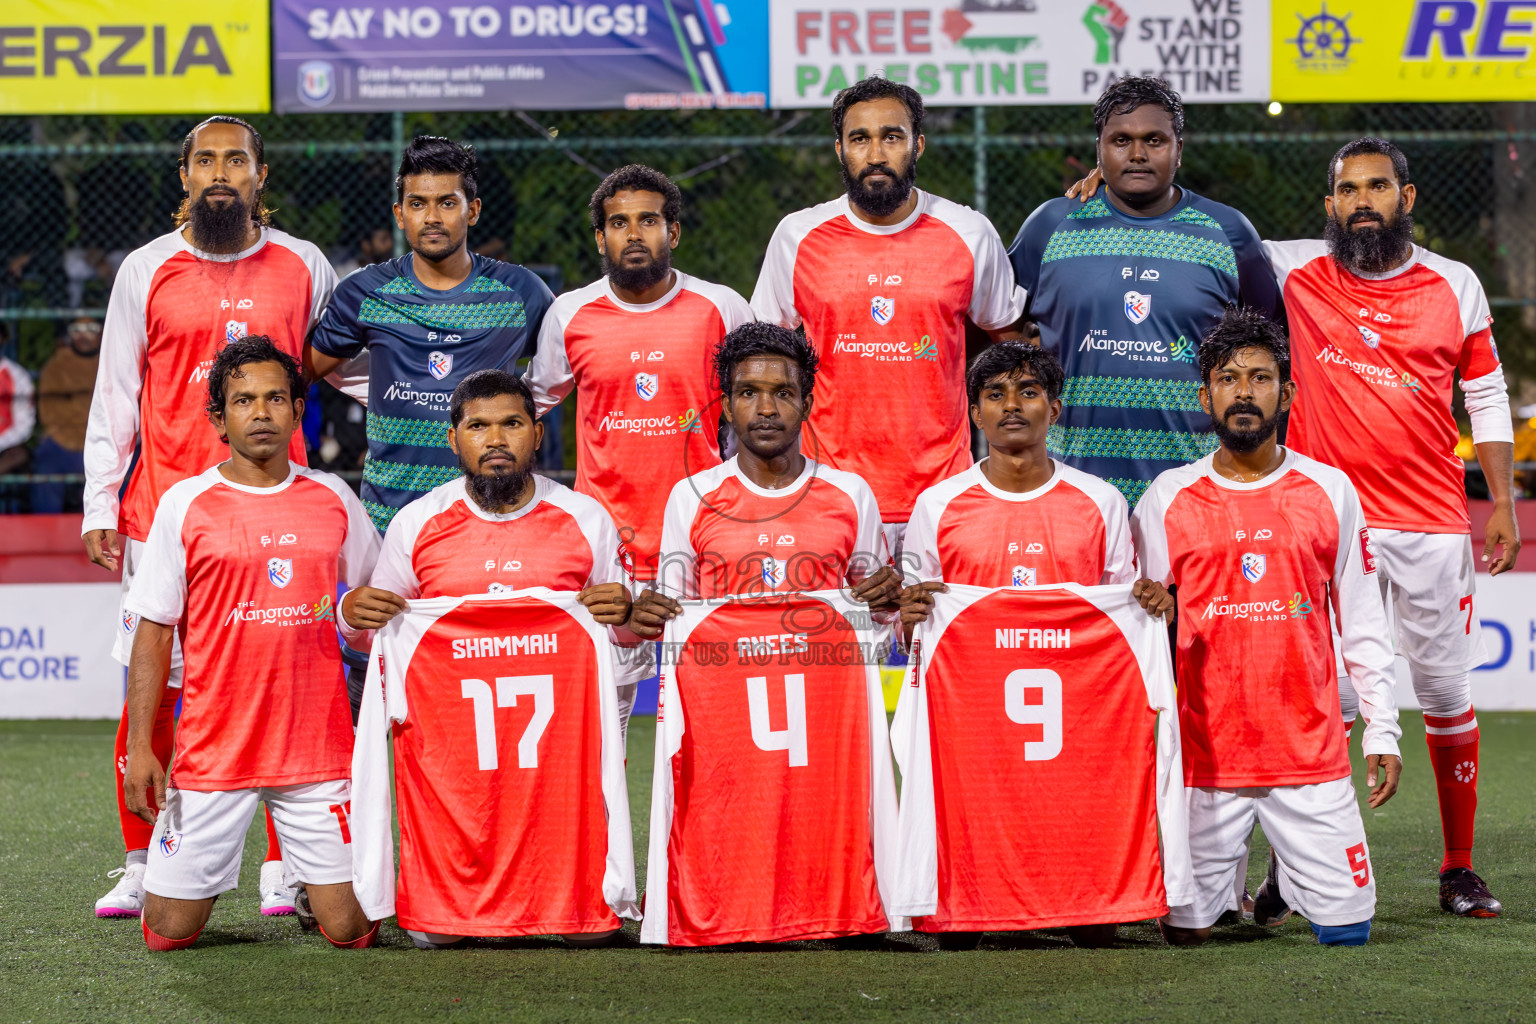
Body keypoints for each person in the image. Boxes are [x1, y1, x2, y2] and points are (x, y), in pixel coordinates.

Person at [83, 115, 338, 920]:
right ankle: (139, 856)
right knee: (151, 690)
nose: (220, 172)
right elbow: (117, 392)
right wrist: (99, 501)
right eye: (205, 160)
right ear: (184, 176)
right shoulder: (146, 268)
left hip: (276, 514)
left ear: (262, 176)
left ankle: (283, 867)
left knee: (283, 678)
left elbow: (341, 364)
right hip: (162, 517)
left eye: (237, 159)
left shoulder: (305, 265)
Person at [1261, 138, 1519, 917]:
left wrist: (1501, 499)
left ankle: (1459, 869)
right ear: (1330, 202)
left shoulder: (1456, 283)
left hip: (1433, 525)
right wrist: (1104, 192)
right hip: (1328, 529)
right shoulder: (1292, 268)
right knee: (1323, 702)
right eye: (1348, 189)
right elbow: (1196, 225)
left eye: (1378, 187)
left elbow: (1488, 394)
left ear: (1407, 198)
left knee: (1443, 692)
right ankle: (1290, 875)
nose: (1362, 200)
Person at [1131, 308, 1401, 947]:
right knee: (1186, 934)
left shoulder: (1330, 491)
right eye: (1229, 379)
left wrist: (1381, 730)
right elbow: (1136, 629)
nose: (1244, 392)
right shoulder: (1166, 498)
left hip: (1309, 757)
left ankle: (1284, 876)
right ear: (1206, 396)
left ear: (1288, 392)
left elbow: (1363, 621)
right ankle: (1230, 886)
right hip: (1203, 761)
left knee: (1349, 934)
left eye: (1260, 377)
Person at [122, 338, 380, 950]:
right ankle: (222, 874)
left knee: (351, 930)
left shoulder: (334, 497)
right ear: (218, 418)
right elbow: (154, 630)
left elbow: (375, 599)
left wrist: (346, 614)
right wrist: (139, 746)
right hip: (216, 753)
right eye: (242, 400)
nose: (260, 412)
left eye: (274, 398)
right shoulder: (184, 505)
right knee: (167, 932)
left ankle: (303, 883)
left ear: (296, 410)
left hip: (316, 750)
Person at [303, 136, 554, 722]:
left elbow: (558, 376)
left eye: (447, 202)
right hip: (388, 520)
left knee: (476, 699)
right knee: (371, 711)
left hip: (486, 520)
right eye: (418, 203)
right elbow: (306, 374)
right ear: (399, 213)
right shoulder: (366, 293)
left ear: (474, 210)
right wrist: (375, 390)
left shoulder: (522, 295)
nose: (432, 216)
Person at [751, 76, 1026, 564]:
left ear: (917, 144)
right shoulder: (797, 235)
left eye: (892, 136)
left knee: (938, 639)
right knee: (839, 639)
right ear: (840, 149)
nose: (876, 153)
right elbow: (762, 360)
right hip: (827, 491)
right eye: (860, 138)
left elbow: (1007, 342)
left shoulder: (969, 232)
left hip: (943, 494)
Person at [339, 370, 648, 759]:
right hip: (452, 737)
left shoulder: (586, 517)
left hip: (560, 741)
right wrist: (350, 616)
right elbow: (380, 637)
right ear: (453, 439)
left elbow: (625, 635)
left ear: (536, 435)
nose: (496, 440)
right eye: (478, 426)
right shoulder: (416, 523)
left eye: (512, 424)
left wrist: (626, 614)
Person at [1011, 77, 1281, 508]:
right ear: (1099, 149)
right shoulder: (1052, 225)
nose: (1137, 154)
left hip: (1194, 490)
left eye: (1154, 140)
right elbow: (997, 322)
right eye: (1121, 140)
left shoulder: (1228, 232)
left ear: (1179, 148)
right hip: (1072, 490)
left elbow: (1268, 346)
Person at [524, 164, 753, 586]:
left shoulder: (722, 307)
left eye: (648, 220)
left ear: (674, 233)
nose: (633, 234)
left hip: (705, 533)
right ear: (600, 238)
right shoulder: (569, 313)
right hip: (603, 543)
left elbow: (758, 409)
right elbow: (528, 407)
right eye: (618, 223)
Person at [629, 322, 901, 630]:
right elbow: (679, 618)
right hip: (722, 675)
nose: (767, 409)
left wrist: (889, 602)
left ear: (806, 405)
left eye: (783, 393)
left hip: (822, 674)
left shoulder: (852, 493)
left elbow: (879, 613)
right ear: (728, 407)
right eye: (748, 392)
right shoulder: (691, 495)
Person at [898, 342, 1135, 647]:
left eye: (1028, 392)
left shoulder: (1103, 501)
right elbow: (914, 629)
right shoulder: (935, 504)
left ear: (1054, 411)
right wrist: (906, 622)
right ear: (977, 415)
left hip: (1076, 687)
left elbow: (1126, 620)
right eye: (996, 395)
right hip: (972, 686)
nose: (1011, 404)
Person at [32, 318, 99, 514]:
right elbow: (48, 410)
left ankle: (120, 530)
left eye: (90, 329)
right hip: (63, 437)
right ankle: (45, 532)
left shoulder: (112, 358)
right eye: (77, 329)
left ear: (101, 333)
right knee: (45, 466)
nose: (83, 335)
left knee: (128, 469)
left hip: (103, 438)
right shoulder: (56, 365)